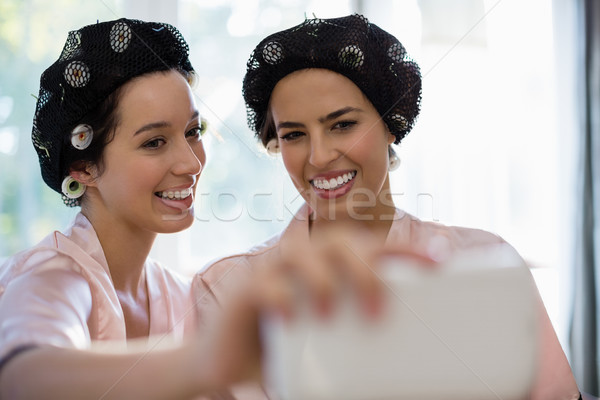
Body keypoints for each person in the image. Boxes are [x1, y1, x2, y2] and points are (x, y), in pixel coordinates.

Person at [194, 14, 582, 399]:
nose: (320, 155)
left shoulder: (484, 260)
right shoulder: (226, 290)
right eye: (294, 134)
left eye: (342, 125)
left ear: (390, 123)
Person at [0, 18, 267, 399]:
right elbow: (23, 376)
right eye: (155, 142)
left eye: (193, 132)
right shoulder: (52, 278)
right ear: (83, 168)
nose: (191, 163)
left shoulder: (183, 295)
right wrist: (207, 361)